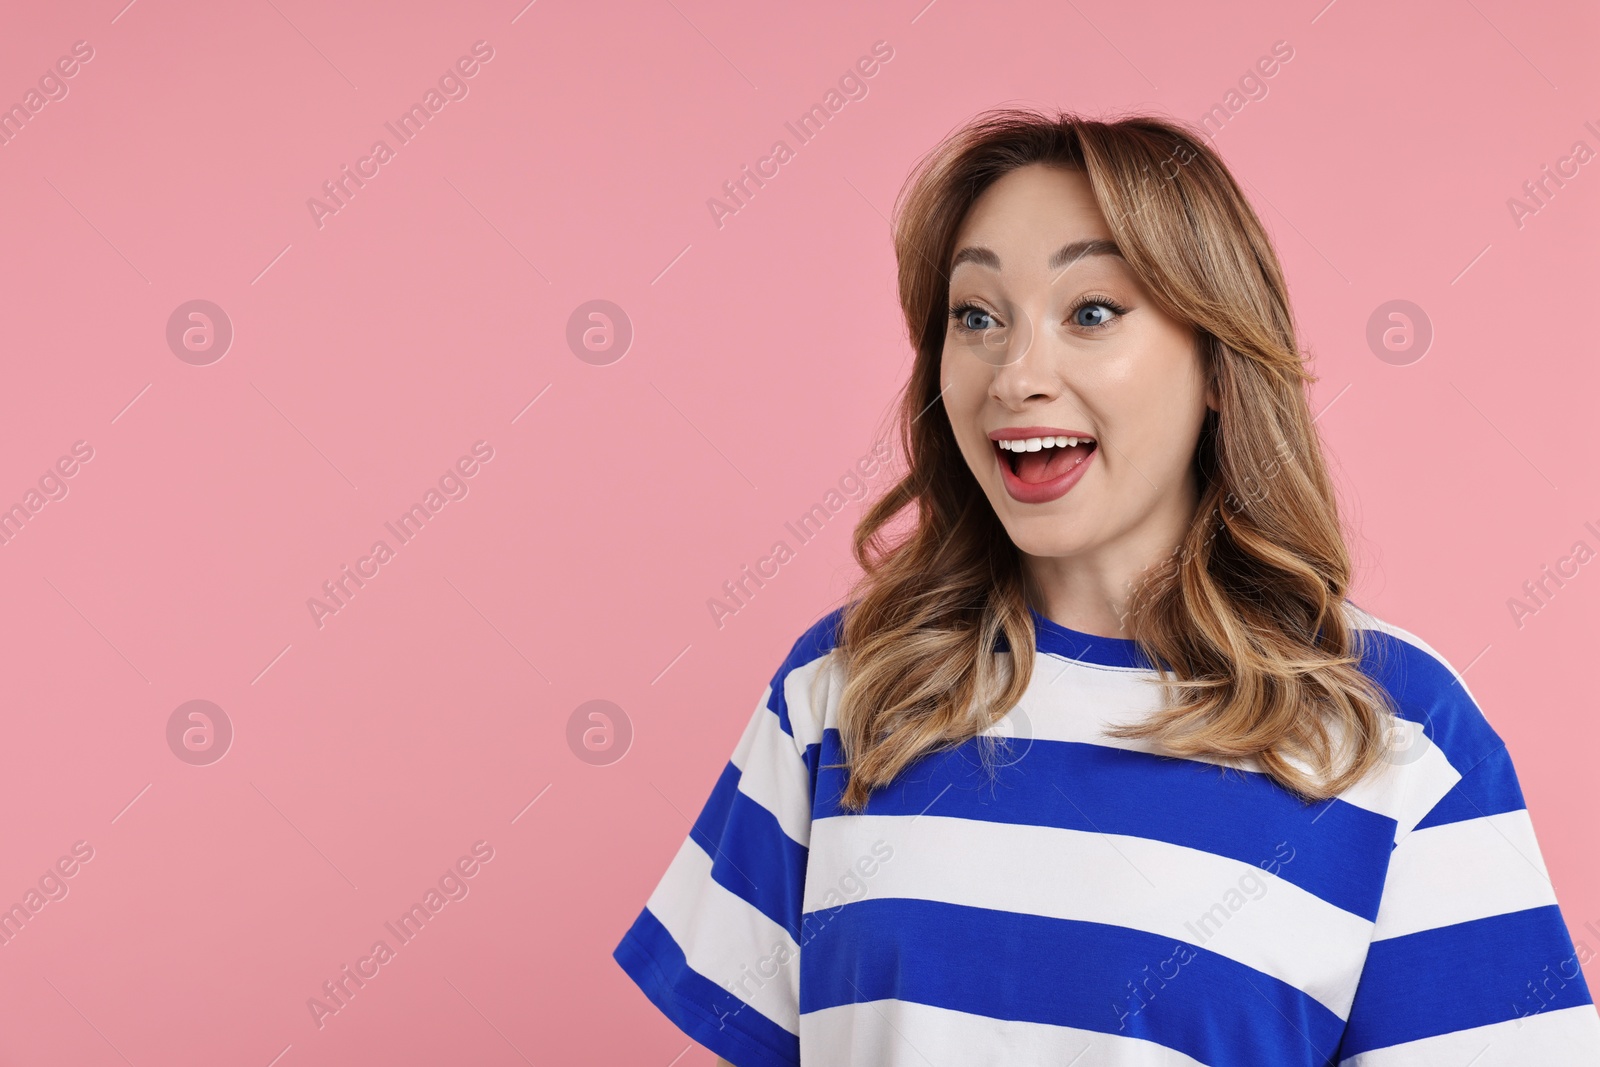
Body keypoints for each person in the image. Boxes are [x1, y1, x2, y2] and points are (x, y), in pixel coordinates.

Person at [611, 108, 1600, 1065]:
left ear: (1216, 359)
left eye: (1090, 312)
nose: (1015, 373)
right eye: (976, 316)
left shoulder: (1396, 730)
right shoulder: (840, 688)